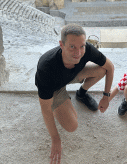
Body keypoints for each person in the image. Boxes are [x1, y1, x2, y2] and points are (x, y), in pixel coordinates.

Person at [35, 24, 114, 164]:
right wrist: (56, 139)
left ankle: (81, 93)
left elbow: (110, 67)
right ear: (61, 44)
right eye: (72, 47)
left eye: (81, 46)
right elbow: (45, 109)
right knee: (72, 126)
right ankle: (61, 102)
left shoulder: (86, 49)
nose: (78, 52)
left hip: (72, 74)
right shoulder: (46, 68)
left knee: (102, 70)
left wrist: (106, 96)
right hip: (55, 87)